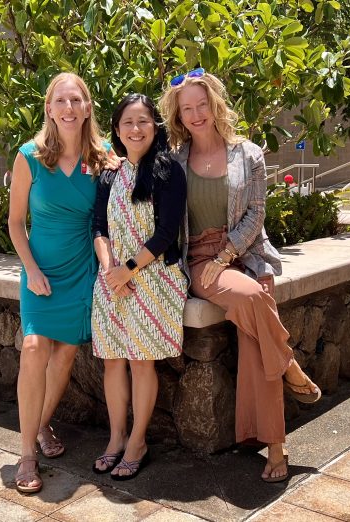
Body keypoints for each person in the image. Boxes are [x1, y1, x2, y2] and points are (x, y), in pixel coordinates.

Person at [159, 69, 321, 483]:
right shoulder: (175, 160)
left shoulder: (248, 153)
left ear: (215, 104)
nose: (196, 115)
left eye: (201, 105)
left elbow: (256, 213)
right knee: (251, 299)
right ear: (178, 115)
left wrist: (229, 253)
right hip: (199, 260)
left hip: (245, 255)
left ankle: (275, 446)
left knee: (253, 343)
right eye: (187, 109)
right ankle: (288, 365)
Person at [8, 72, 111, 493]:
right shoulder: (30, 156)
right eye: (61, 101)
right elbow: (16, 224)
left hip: (81, 272)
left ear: (87, 107)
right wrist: (31, 269)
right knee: (34, 347)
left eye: (77, 100)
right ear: (49, 108)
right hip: (40, 272)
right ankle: (27, 452)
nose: (69, 109)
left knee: (65, 356)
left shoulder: (103, 156)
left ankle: (43, 423)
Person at [91, 94, 187, 480]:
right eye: (127, 122)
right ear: (117, 130)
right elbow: (98, 227)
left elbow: (166, 232)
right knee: (113, 359)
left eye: (143, 121)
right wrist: (110, 268)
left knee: (140, 361)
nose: (135, 129)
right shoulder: (109, 174)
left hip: (153, 279)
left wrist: (127, 270)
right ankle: (116, 438)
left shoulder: (167, 171)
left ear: (155, 126)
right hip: (111, 280)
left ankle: (138, 442)